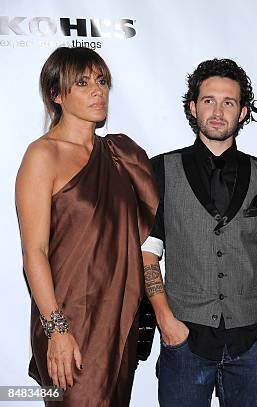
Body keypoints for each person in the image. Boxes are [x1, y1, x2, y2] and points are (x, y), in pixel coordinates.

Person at [15, 47, 158, 406]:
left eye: (102, 81)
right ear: (56, 94)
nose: (98, 90)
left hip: (117, 317)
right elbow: (34, 253)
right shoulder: (42, 155)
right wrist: (57, 330)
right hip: (68, 319)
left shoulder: (123, 155)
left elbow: (147, 237)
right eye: (82, 82)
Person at [141, 58, 257, 407]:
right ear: (193, 107)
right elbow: (146, 253)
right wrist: (166, 322)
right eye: (208, 100)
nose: (218, 111)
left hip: (250, 344)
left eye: (229, 102)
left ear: (244, 112)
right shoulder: (160, 170)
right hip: (185, 342)